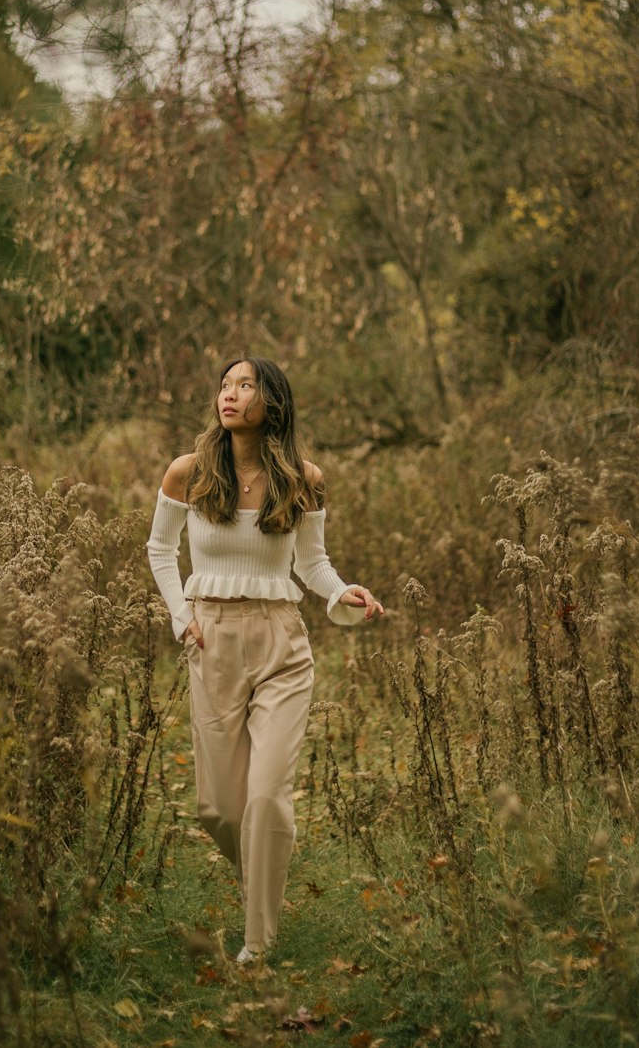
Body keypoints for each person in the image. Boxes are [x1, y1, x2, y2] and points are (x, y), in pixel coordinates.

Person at [147, 355, 383, 964]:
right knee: (219, 809)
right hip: (212, 643)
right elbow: (159, 549)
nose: (230, 394)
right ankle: (262, 869)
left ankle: (258, 943)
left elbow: (311, 563)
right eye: (225, 385)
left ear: (270, 400)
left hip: (282, 644)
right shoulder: (189, 473)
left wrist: (339, 593)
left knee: (267, 798)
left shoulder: (305, 478)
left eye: (245, 385)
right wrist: (182, 614)